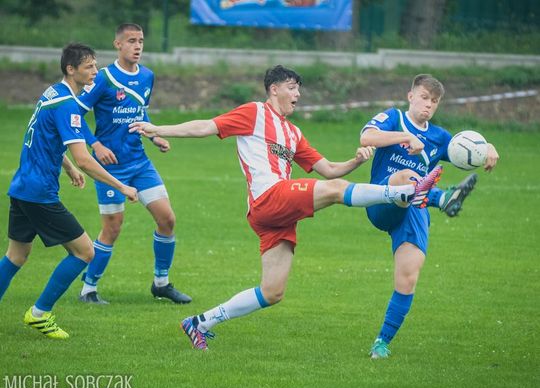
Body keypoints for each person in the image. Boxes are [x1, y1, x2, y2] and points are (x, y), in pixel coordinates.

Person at [129, 65, 442, 350]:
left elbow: (329, 169)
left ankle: (200, 322)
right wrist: (159, 129)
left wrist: (355, 161)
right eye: (292, 87)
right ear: (274, 89)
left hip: (275, 215)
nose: (297, 94)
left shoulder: (293, 133)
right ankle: (405, 192)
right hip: (269, 197)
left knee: (272, 291)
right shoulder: (253, 113)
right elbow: (204, 127)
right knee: (336, 193)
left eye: (299, 89)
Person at [0, 43, 138, 339]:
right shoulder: (68, 105)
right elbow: (86, 158)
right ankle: (40, 314)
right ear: (71, 69)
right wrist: (121, 185)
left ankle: (39, 313)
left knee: (16, 255)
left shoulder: (52, 93)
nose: (95, 71)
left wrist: (67, 167)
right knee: (85, 252)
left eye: (95, 65)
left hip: (22, 187)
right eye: (88, 66)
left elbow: (44, 139)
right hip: (39, 193)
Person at [359, 74, 500, 359]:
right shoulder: (393, 118)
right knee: (409, 176)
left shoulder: (439, 138)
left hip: (413, 209)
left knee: (408, 277)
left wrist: (489, 148)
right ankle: (442, 197)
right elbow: (366, 136)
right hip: (381, 201)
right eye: (424, 98)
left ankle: (381, 343)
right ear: (411, 96)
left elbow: (465, 148)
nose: (428, 105)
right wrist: (406, 137)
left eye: (434, 102)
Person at [77, 23, 191, 305]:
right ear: (118, 44)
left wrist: (154, 135)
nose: (137, 46)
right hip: (110, 166)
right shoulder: (102, 78)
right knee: (113, 227)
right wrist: (96, 144)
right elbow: (74, 116)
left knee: (167, 219)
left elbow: (140, 112)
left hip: (139, 162)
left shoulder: (148, 76)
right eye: (131, 41)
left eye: (140, 41)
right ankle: (88, 289)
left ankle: (161, 284)